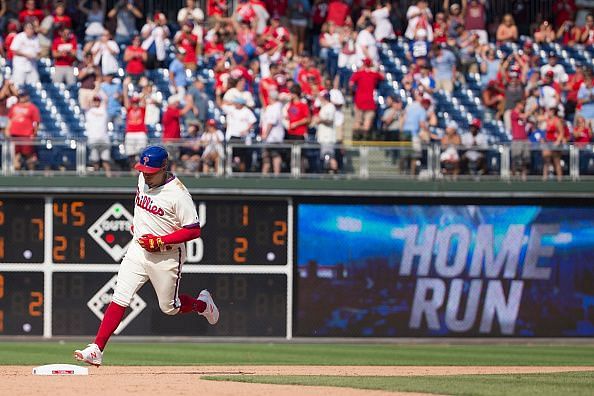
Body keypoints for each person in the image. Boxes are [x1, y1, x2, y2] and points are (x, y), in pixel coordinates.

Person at [74, 145, 219, 366]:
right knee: (120, 296)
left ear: (164, 167)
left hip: (167, 255)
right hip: (138, 249)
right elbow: (140, 203)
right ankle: (97, 349)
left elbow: (194, 229)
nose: (145, 175)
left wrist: (160, 240)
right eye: (143, 170)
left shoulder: (178, 194)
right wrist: (139, 225)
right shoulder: (143, 179)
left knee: (170, 307)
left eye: (150, 171)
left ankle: (202, 304)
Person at [349, 58, 384, 140]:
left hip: (359, 101)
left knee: (357, 123)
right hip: (370, 102)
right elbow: (383, 76)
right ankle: (364, 143)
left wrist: (353, 92)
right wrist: (377, 67)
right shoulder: (374, 74)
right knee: (367, 125)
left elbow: (350, 84)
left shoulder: (359, 73)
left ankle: (356, 142)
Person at [6, 89, 40, 170]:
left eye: (23, 96)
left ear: (27, 96)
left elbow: (36, 122)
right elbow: (10, 120)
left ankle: (31, 174)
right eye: (20, 96)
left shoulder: (32, 108)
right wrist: (7, 130)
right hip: (14, 135)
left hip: (27, 136)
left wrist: (34, 133)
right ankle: (16, 174)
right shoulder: (14, 107)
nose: (21, 98)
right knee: (16, 155)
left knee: (29, 155)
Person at [85, 95, 111, 176]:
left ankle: (109, 178)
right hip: (93, 139)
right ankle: (96, 178)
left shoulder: (104, 110)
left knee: (105, 161)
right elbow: (86, 103)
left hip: (104, 139)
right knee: (95, 161)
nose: (96, 102)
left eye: (98, 101)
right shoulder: (89, 112)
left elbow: (106, 100)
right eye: (95, 100)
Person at [10, 22, 40, 87]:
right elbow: (14, 50)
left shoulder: (35, 38)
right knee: (18, 86)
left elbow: (38, 52)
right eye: (28, 28)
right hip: (19, 66)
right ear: (24, 29)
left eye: (31, 29)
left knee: (35, 85)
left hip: (32, 66)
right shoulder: (19, 36)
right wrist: (26, 55)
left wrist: (35, 55)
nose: (29, 30)